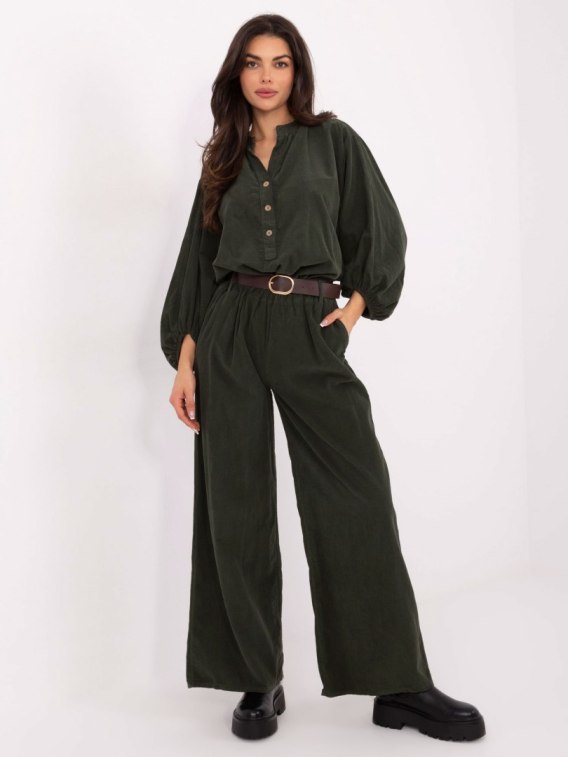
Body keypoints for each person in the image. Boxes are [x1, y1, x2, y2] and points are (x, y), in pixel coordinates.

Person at [160, 13, 486, 743]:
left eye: (279, 62)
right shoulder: (223, 158)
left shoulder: (334, 143)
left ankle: (398, 681)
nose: (266, 75)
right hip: (230, 328)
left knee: (355, 494)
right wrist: (185, 359)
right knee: (235, 504)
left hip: (310, 324)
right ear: (237, 74)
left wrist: (352, 314)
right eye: (253, 62)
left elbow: (381, 230)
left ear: (297, 72)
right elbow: (198, 263)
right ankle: (257, 676)